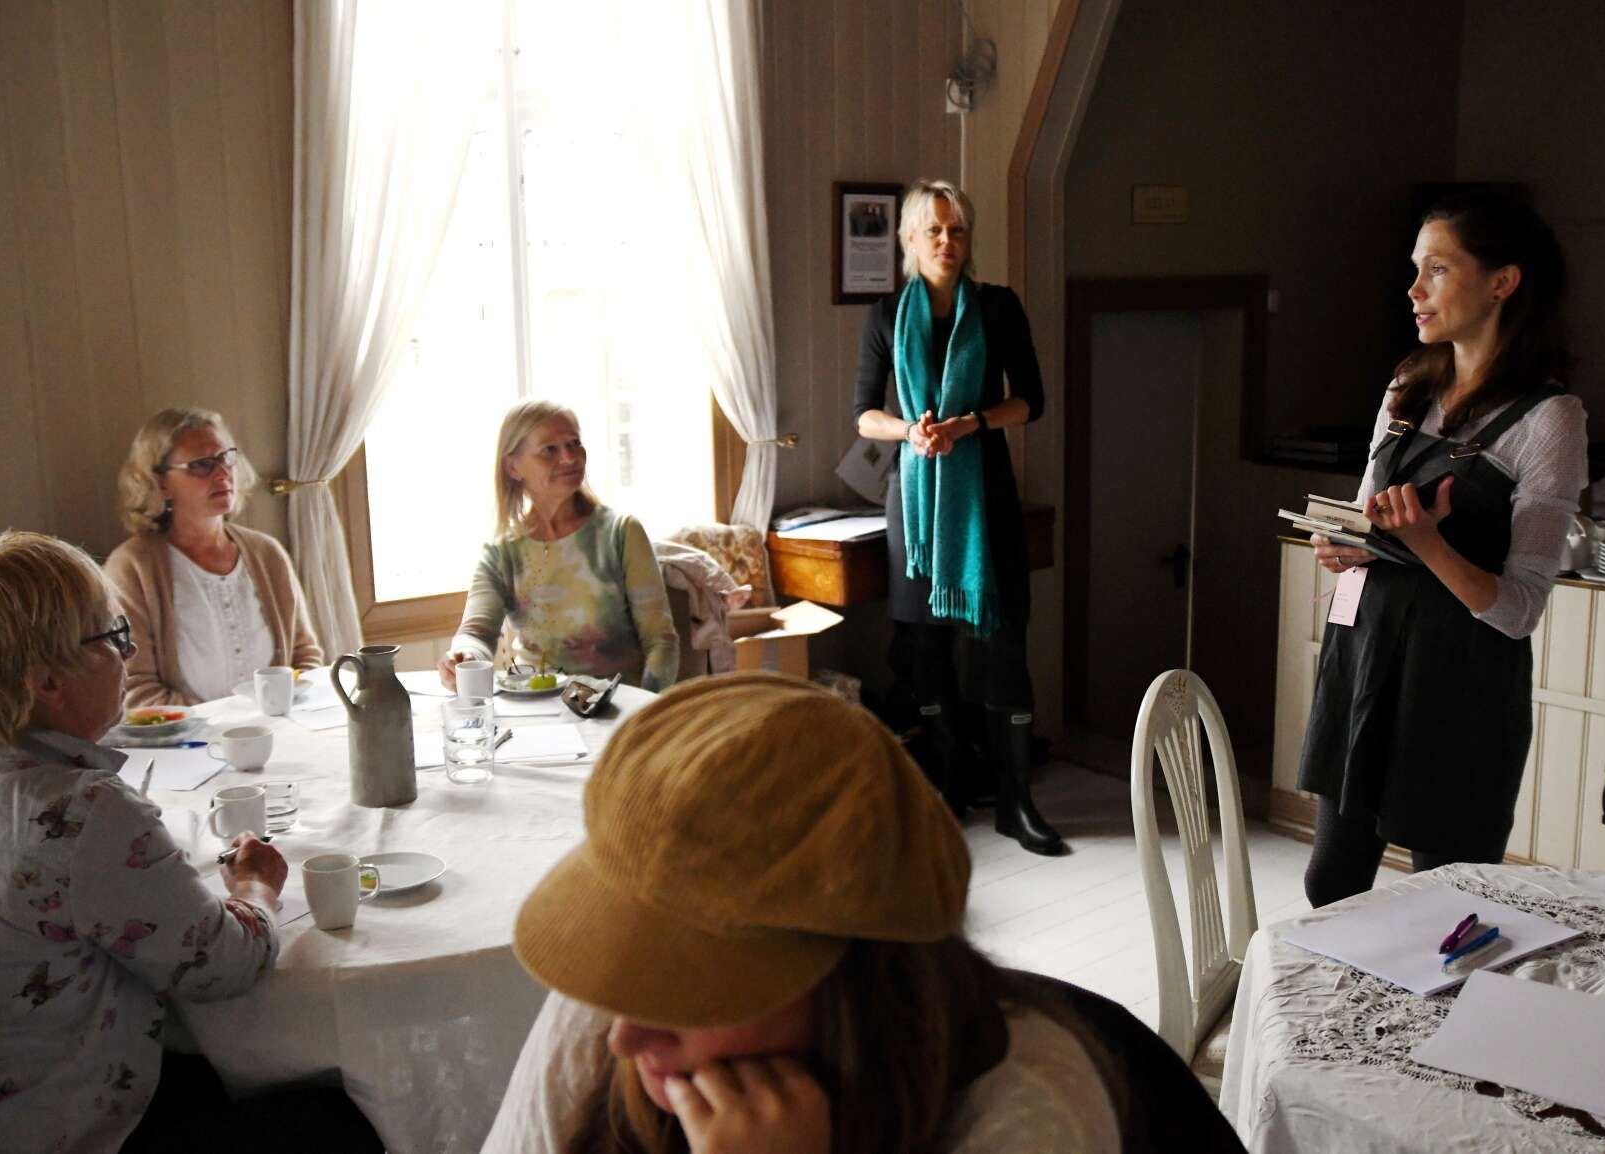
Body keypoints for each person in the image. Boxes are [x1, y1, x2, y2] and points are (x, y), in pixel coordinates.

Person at [483, 672, 1248, 1153]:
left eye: (688, 983)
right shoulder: (615, 1007)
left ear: (852, 982)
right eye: (630, 952)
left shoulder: (1025, 1108)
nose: (624, 1034)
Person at [0, 531, 375, 1153]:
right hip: (77, 1124)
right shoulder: (82, 812)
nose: (131, 652)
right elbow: (225, 964)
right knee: (348, 1109)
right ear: (47, 681)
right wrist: (256, 887)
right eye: (113, 637)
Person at [1296, 189, 1589, 908]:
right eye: (1414, 270)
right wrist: (1348, 545)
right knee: (1329, 883)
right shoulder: (1407, 385)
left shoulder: (1549, 419)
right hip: (1362, 659)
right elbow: (1368, 517)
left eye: (1437, 270)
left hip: (1459, 691)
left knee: (1449, 903)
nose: (1413, 290)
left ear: (1501, 282)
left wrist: (1426, 542)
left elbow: (1518, 610)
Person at [851, 178, 1063, 856]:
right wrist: (909, 432)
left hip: (985, 499)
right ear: (910, 241)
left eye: (957, 230)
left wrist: (969, 423)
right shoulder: (886, 315)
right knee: (925, 656)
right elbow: (864, 414)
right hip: (914, 509)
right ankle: (947, 790)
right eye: (934, 230)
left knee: (1003, 650)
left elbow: (1030, 400)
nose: (947, 241)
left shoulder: (997, 307)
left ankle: (1014, 802)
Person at [439, 400, 678, 693]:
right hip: (534, 706)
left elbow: (661, 642)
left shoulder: (621, 533)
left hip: (616, 708)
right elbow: (476, 633)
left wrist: (647, 707)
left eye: (574, 443)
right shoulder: (502, 553)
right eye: (549, 450)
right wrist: (463, 657)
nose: (569, 457)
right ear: (513, 467)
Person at [105, 408, 323, 708]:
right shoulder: (131, 567)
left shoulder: (267, 553)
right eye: (202, 465)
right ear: (160, 481)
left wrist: (278, 713)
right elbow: (134, 686)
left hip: (279, 726)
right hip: (185, 736)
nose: (223, 473)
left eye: (226, 458)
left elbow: (305, 656)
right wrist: (222, 724)